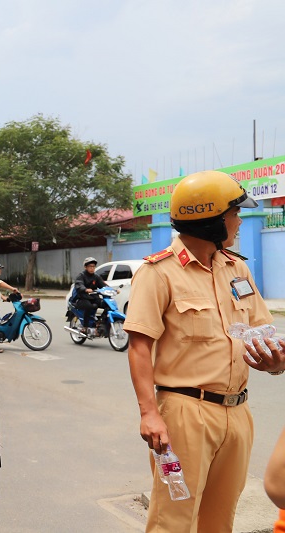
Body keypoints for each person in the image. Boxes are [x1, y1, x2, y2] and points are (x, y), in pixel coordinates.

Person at [124, 170, 285, 533]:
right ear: (212, 220)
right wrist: (149, 414)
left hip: (237, 411)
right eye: (234, 214)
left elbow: (260, 332)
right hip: (184, 413)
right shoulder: (159, 272)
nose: (239, 221)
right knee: (173, 519)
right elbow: (139, 346)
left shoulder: (236, 267)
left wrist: (276, 363)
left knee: (220, 519)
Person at [72, 257, 109, 336]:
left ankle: (100, 323)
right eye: (90, 266)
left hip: (93, 298)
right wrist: (85, 289)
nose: (92, 268)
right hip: (82, 298)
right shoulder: (81, 276)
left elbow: (103, 285)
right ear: (85, 267)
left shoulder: (96, 277)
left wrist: (113, 290)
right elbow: (79, 284)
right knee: (88, 306)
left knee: (107, 304)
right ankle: (85, 327)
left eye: (93, 266)